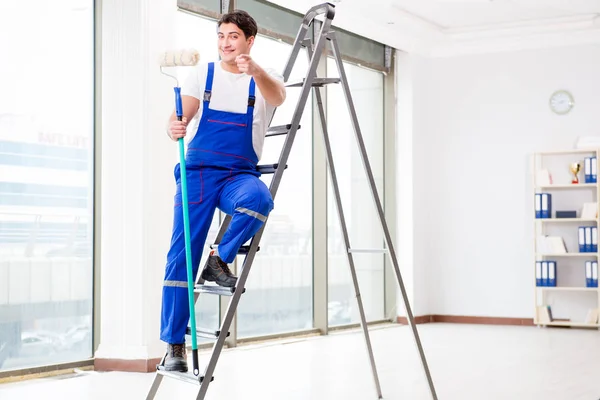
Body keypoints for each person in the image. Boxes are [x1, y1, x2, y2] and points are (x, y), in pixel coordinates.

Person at [160, 10, 286, 372]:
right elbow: (177, 119)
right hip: (198, 172)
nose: (225, 43)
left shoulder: (264, 78)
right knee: (181, 255)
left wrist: (255, 70)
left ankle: (219, 259)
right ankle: (174, 345)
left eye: (233, 36)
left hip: (238, 174)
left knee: (259, 199)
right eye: (220, 36)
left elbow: (277, 98)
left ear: (249, 40)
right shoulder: (204, 73)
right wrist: (174, 127)